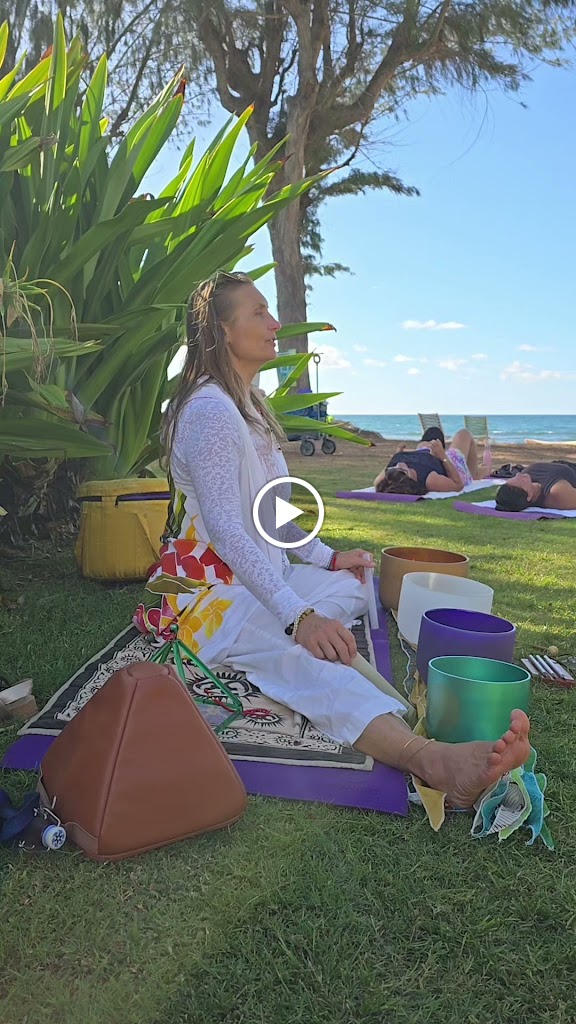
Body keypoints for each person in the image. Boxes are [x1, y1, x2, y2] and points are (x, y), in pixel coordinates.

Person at [134, 271, 530, 808]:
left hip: (261, 578)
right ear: (222, 330)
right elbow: (227, 528)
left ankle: (294, 638)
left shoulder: (247, 407)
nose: (275, 324)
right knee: (308, 661)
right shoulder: (208, 412)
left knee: (353, 585)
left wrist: (328, 556)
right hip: (210, 597)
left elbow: (269, 510)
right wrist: (298, 617)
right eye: (258, 313)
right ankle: (428, 759)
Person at [373, 427, 481, 495]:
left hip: (426, 454)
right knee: (463, 434)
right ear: (412, 480)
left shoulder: (388, 478)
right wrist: (442, 456)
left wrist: (397, 455)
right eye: (403, 470)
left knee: (427, 439)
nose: (400, 464)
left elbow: (378, 481)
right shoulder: (430, 480)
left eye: (394, 467)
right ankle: (473, 474)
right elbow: (458, 485)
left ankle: (479, 471)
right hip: (450, 464)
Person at [495, 462, 576, 512]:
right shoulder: (556, 493)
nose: (518, 474)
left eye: (514, 477)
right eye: (520, 481)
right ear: (529, 496)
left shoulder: (529, 473)